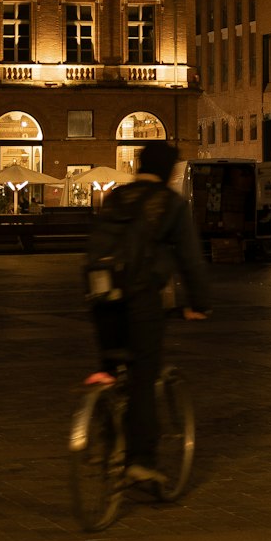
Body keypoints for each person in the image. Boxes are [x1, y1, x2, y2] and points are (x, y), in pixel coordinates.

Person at [88, 140, 208, 487]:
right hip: (140, 299)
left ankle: (104, 439)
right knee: (143, 376)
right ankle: (140, 460)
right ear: (169, 170)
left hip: (99, 297)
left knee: (110, 369)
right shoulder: (169, 204)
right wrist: (198, 302)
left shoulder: (116, 198)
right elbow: (190, 258)